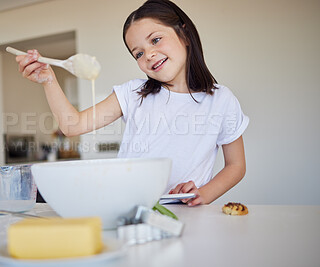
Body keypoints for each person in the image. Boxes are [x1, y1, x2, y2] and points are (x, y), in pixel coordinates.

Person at [15, 0, 249, 206]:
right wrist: (48, 80)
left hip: (186, 211)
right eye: (138, 53)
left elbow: (236, 165)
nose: (148, 55)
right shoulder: (133, 93)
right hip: (127, 207)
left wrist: (204, 193)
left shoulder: (221, 100)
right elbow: (72, 125)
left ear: (184, 35)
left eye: (156, 40)